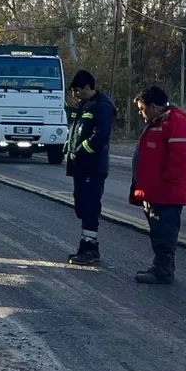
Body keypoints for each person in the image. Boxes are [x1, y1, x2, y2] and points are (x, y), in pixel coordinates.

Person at [128, 85, 186, 284]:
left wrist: (166, 180)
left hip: (166, 192)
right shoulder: (158, 121)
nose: (141, 114)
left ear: (153, 106)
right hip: (157, 190)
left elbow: (179, 157)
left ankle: (163, 270)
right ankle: (161, 267)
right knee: (158, 230)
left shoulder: (174, 121)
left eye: (143, 109)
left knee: (164, 231)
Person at [64, 70, 116, 266]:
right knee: (81, 205)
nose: (75, 95)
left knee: (89, 206)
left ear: (87, 87)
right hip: (81, 167)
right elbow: (77, 130)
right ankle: (89, 246)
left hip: (92, 167)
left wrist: (80, 151)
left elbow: (99, 137)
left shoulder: (102, 106)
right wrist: (68, 147)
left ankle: (88, 248)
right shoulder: (84, 105)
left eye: (77, 91)